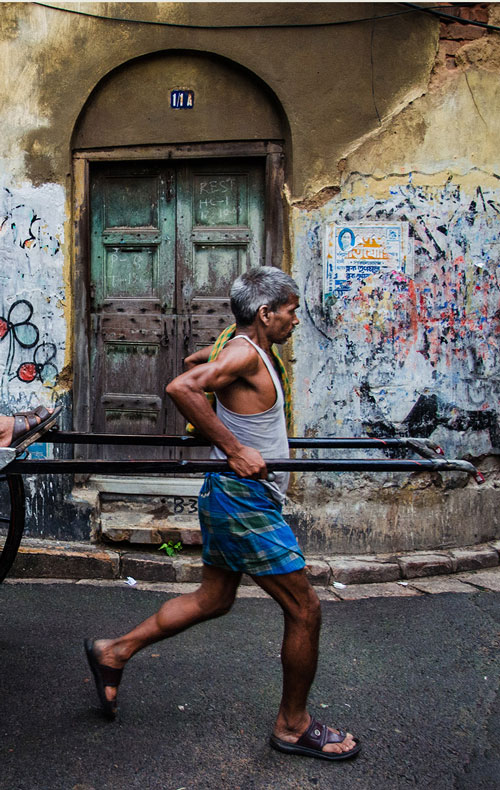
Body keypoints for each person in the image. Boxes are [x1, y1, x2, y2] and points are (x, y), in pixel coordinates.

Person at [84, 267, 360, 762]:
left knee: (213, 599)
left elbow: (199, 360)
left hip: (232, 496)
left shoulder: (238, 346)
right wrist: (234, 448)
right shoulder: (240, 351)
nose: (296, 320)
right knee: (305, 609)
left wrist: (217, 371)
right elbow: (182, 385)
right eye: (291, 311)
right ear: (265, 313)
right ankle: (293, 726)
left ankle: (114, 651)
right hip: (242, 500)